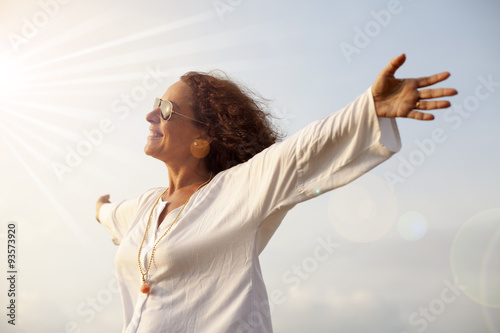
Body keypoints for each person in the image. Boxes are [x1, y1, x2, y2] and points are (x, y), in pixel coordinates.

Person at [95, 54, 457, 333]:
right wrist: (100, 208)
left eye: (166, 109)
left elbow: (301, 152)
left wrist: (369, 107)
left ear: (202, 138)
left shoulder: (237, 191)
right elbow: (112, 216)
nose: (150, 115)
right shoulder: (144, 208)